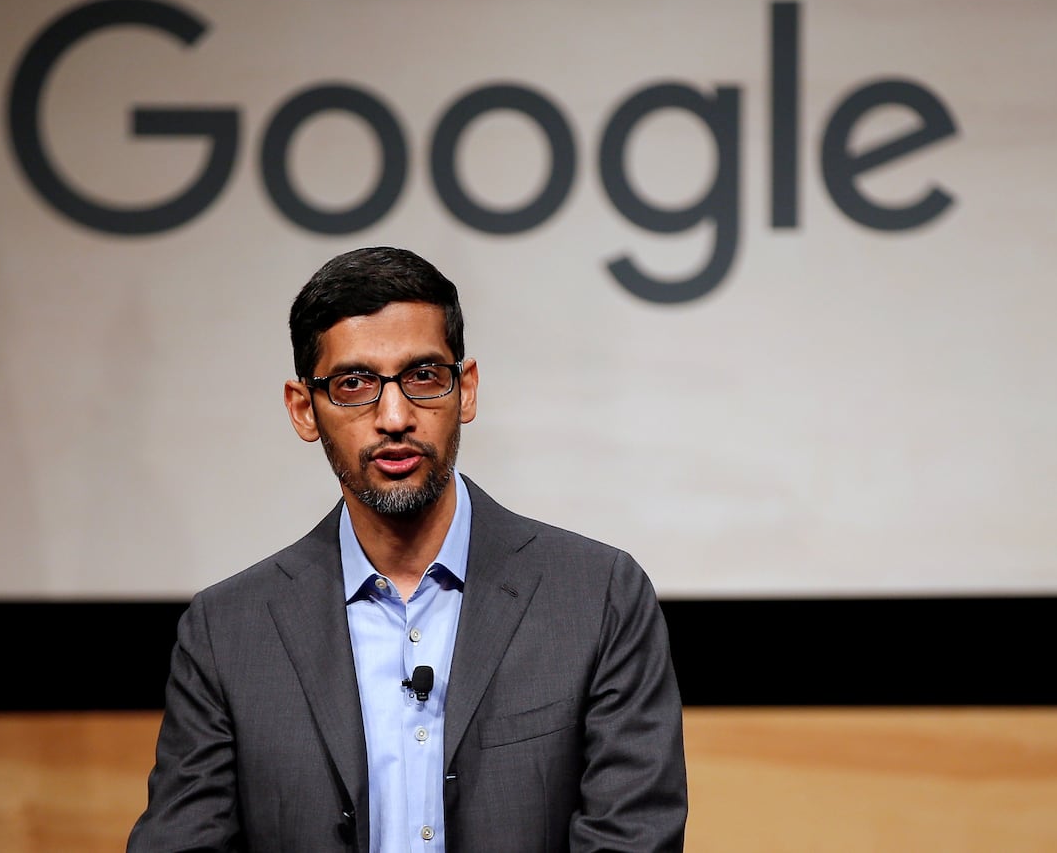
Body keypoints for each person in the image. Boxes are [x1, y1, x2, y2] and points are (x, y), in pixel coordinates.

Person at [128, 247, 686, 853]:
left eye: (422, 376)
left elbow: (634, 837)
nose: (394, 417)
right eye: (354, 383)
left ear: (465, 391)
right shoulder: (228, 632)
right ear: (302, 409)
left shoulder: (597, 596)